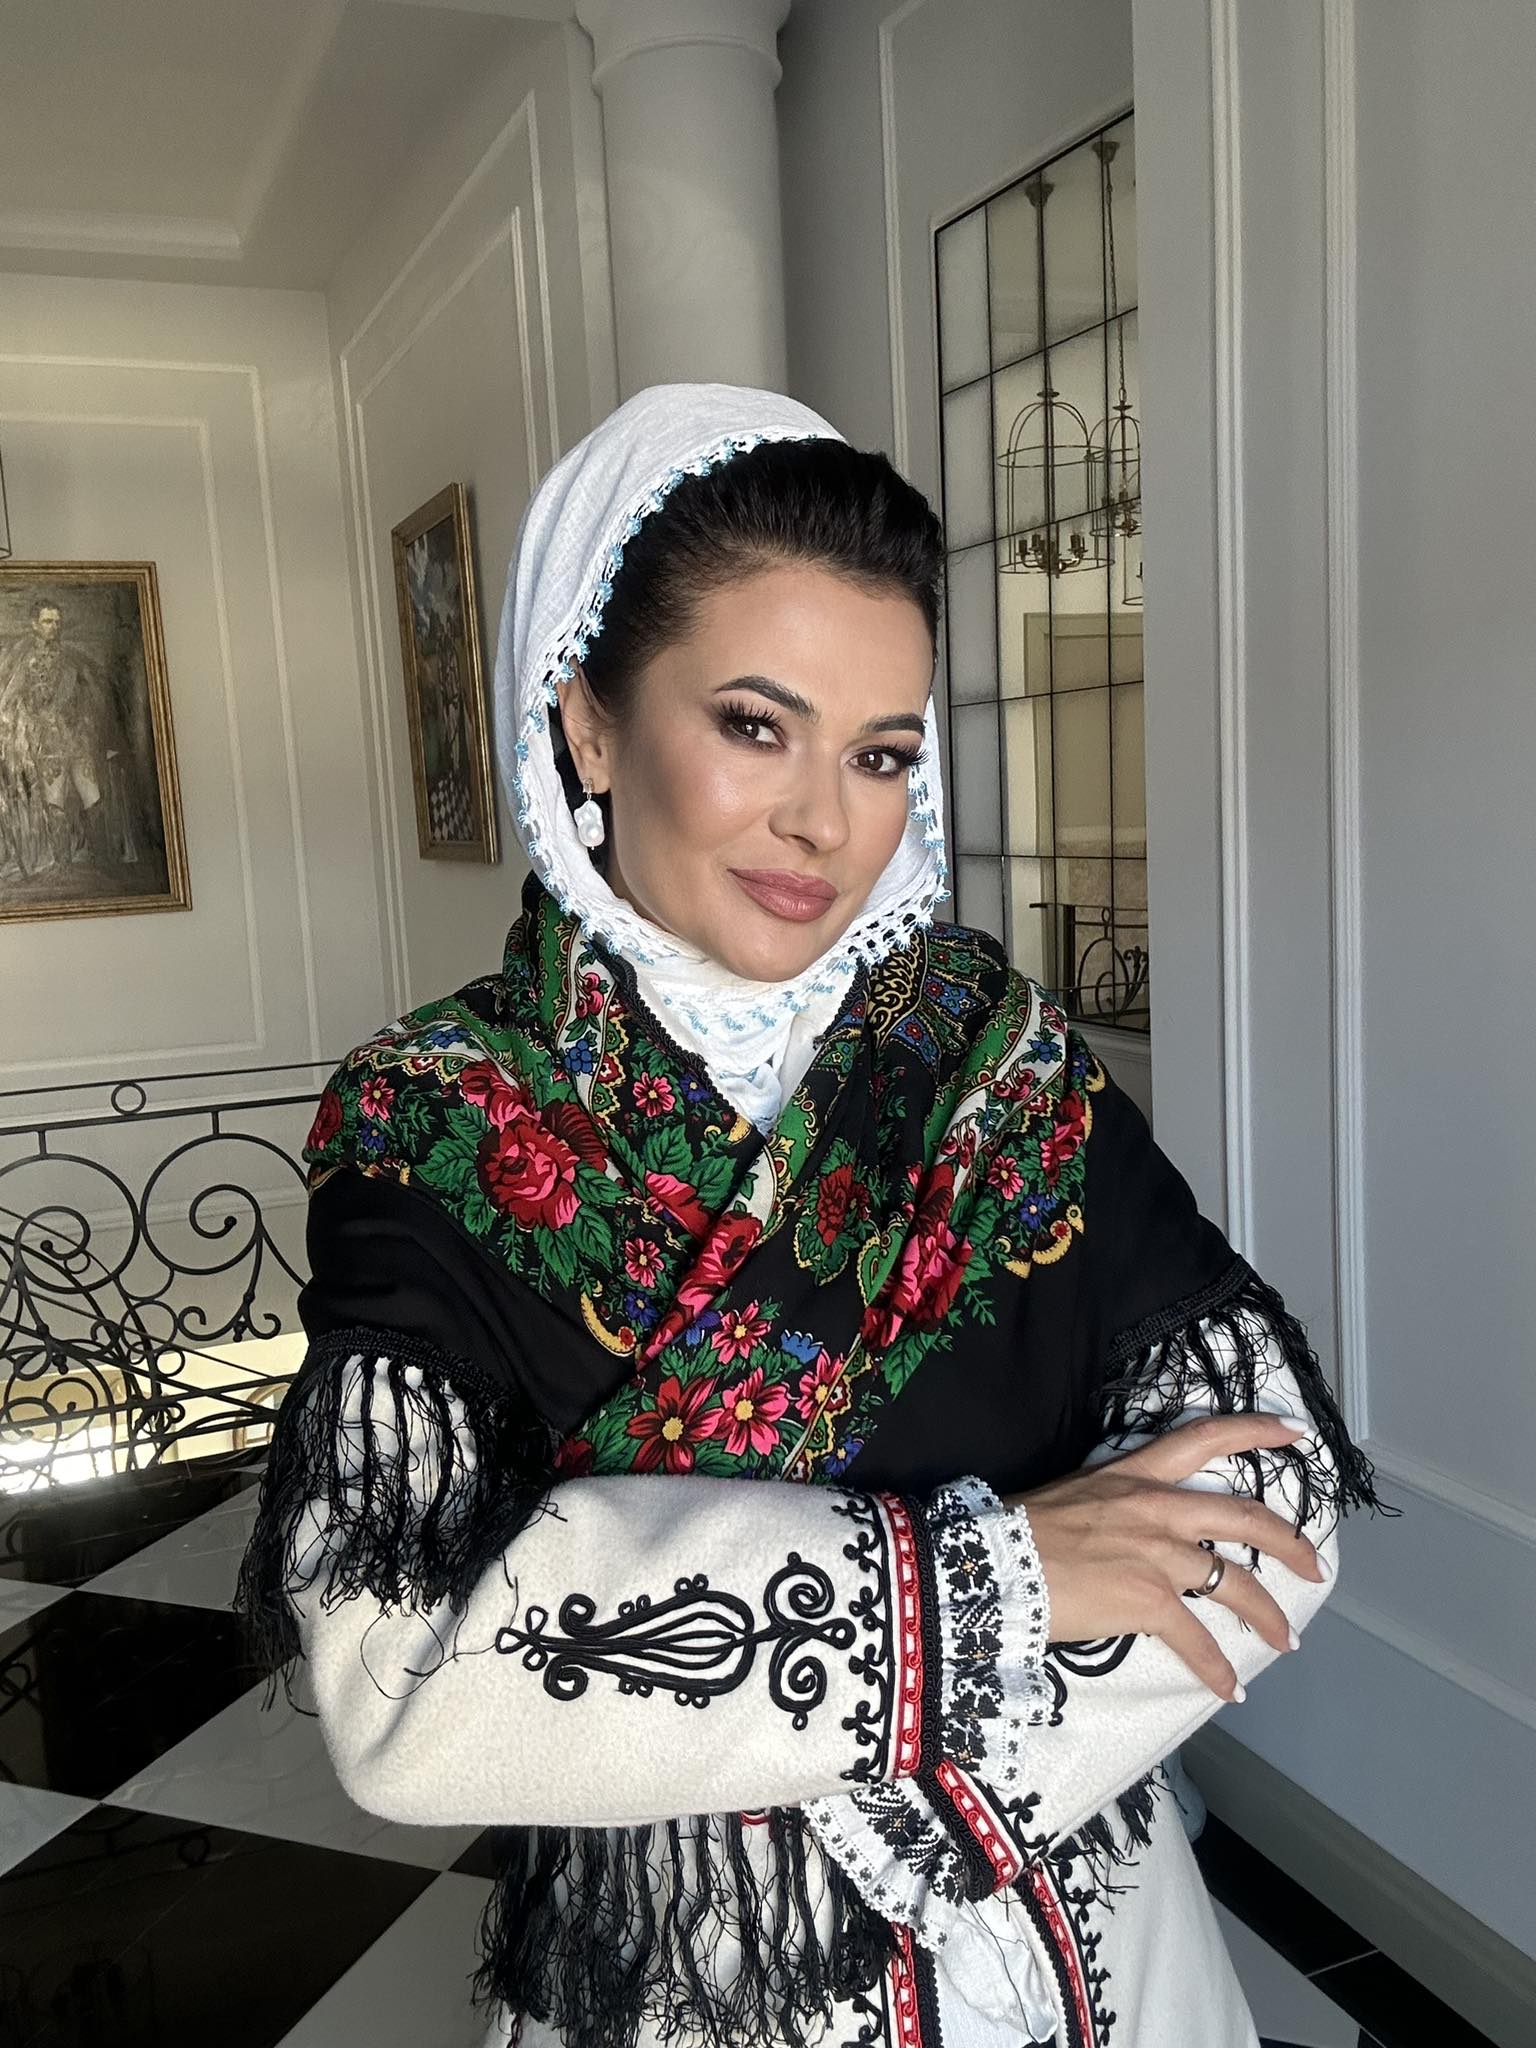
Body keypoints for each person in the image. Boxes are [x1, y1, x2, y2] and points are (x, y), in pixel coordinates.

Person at [236, 384, 1379, 2048]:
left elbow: (1270, 1479)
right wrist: (995, 1579)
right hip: (705, 1986)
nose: (824, 822)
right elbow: (407, 1689)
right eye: (754, 727)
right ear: (588, 725)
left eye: (881, 754)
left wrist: (930, 1798)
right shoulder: (440, 1122)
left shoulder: (987, 1058)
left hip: (1093, 1953)